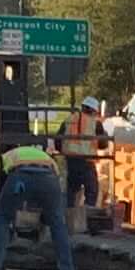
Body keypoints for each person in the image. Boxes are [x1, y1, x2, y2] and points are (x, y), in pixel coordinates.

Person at [0, 120, 72, 270]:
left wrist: (6, 208)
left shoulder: (7, 156)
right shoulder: (45, 156)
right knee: (57, 221)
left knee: (2, 218)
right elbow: (55, 186)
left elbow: (1, 185)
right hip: (49, 178)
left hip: (21, 176)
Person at [57, 91, 109, 229]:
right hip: (87, 162)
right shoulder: (95, 124)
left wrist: (65, 151)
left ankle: (68, 222)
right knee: (92, 191)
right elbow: (103, 144)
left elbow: (58, 141)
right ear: (93, 110)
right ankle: (86, 222)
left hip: (71, 161)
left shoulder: (68, 120)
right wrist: (104, 135)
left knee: (71, 191)